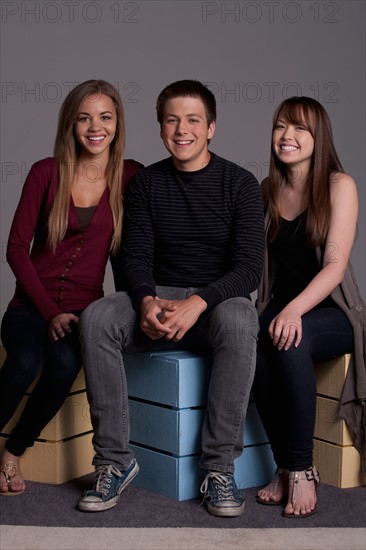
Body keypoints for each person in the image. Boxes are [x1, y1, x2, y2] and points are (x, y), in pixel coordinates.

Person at [78, 79, 265, 517]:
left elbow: (249, 268)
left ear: (212, 128)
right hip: (157, 302)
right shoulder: (145, 183)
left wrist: (199, 302)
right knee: (97, 318)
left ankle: (219, 469)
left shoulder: (240, 184)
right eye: (172, 120)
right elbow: (135, 257)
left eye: (193, 120)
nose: (182, 129)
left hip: (214, 305)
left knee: (242, 319)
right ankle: (114, 462)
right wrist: (145, 302)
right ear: (161, 127)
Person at [0, 79, 143, 495]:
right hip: (30, 306)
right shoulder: (46, 172)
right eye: (84, 117)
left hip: (86, 314)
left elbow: (130, 254)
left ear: (117, 123)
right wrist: (49, 312)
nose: (95, 126)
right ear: (70, 123)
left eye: (105, 116)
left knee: (63, 366)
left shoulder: (128, 176)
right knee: (25, 361)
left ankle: (13, 453)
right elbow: (15, 249)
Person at [253, 96, 366, 518]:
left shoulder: (340, 185)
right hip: (282, 305)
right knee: (250, 344)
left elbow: (335, 266)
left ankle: (302, 470)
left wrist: (294, 310)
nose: (288, 136)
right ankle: (285, 466)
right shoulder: (267, 191)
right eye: (281, 126)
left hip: (332, 310)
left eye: (301, 128)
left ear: (319, 138)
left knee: (290, 342)